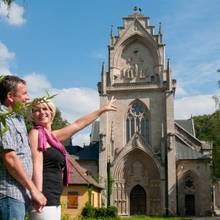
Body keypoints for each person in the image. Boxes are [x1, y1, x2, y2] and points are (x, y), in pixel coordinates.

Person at [29, 97, 117, 220]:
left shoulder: (52, 137)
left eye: (45, 108)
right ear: (33, 115)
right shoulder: (36, 133)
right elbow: (36, 164)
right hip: (43, 196)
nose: (42, 112)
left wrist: (101, 110)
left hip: (53, 196)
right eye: (37, 110)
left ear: (52, 113)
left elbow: (78, 124)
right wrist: (37, 193)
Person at [0, 75, 47, 220]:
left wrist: (29, 190)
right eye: (24, 93)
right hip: (9, 194)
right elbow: (10, 158)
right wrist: (34, 190)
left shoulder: (17, 118)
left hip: (19, 194)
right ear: (10, 96)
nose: (28, 98)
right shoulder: (3, 118)